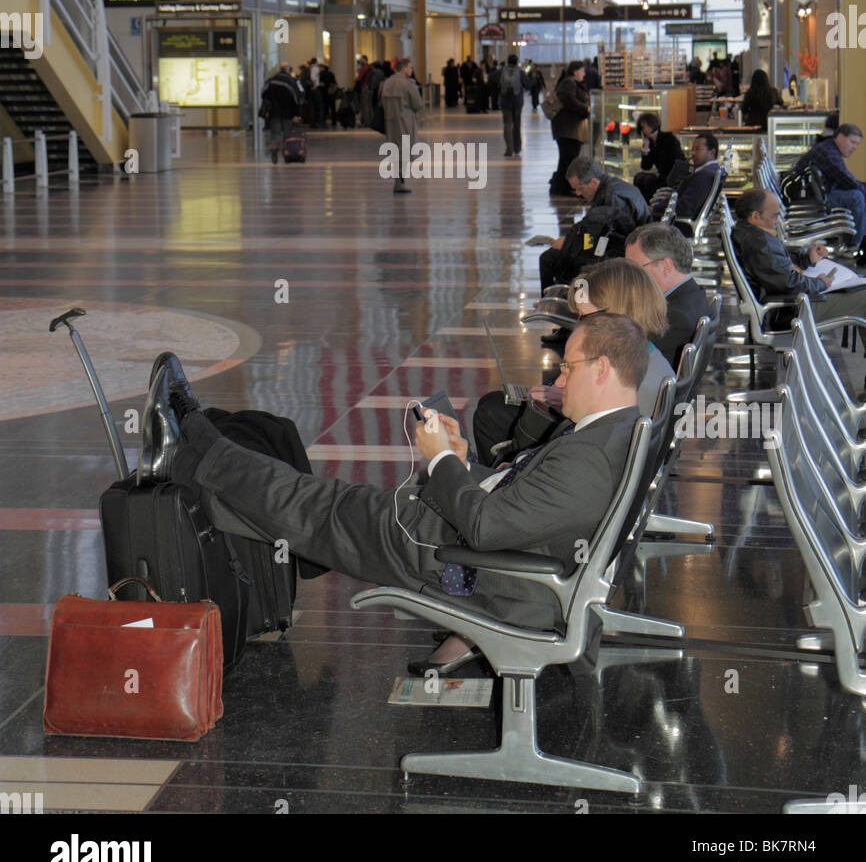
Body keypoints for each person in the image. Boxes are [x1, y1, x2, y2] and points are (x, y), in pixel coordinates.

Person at [141, 313, 647, 662]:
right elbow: (520, 506)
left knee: (314, 505)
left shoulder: (589, 457)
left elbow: (486, 527)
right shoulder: (612, 434)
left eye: (570, 367)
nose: (559, 380)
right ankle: (195, 461)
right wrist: (462, 460)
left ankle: (192, 444)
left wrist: (441, 458)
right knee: (307, 509)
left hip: (463, 562)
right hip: (482, 550)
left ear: (602, 369)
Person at [472, 258, 673, 468]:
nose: (578, 326)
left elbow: (594, 442)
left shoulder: (638, 383)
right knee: (495, 405)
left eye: (585, 317)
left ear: (618, 315)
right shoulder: (647, 362)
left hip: (579, 462)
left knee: (492, 411)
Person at [730, 187, 866, 348]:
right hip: (790, 311)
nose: (777, 221)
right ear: (755, 216)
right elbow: (789, 282)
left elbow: (777, 265)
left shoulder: (749, 234)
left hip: (787, 306)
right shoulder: (759, 243)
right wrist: (821, 283)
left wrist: (807, 259)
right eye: (774, 216)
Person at [538, 155, 651, 291]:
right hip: (627, 249)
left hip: (619, 259)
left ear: (593, 182)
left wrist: (570, 245)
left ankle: (556, 304)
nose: (578, 194)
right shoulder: (614, 187)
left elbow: (598, 242)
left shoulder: (611, 199)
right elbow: (596, 233)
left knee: (549, 259)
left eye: (580, 188)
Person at [624, 223, 710, 367]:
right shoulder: (692, 296)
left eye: (635, 269)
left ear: (666, 267)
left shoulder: (674, 318)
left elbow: (623, 358)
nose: (630, 277)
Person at [793, 123, 866, 246]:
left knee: (859, 193)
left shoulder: (829, 149)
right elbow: (846, 180)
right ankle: (855, 244)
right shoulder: (829, 153)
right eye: (852, 142)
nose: (854, 148)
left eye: (857, 144)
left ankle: (857, 239)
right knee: (857, 197)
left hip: (814, 193)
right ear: (840, 137)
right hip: (811, 199)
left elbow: (847, 179)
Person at [380, 56, 422, 195]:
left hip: (390, 122)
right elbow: (417, 104)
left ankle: (398, 182)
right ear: (403, 68)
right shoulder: (408, 84)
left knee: (395, 151)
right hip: (406, 122)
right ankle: (399, 183)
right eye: (410, 67)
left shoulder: (386, 83)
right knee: (405, 151)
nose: (411, 70)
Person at [549, 60, 591, 197]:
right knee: (568, 158)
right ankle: (563, 188)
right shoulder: (569, 83)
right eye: (582, 71)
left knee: (567, 158)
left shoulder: (571, 83)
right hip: (567, 129)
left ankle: (561, 187)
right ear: (575, 71)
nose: (584, 74)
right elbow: (569, 101)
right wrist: (585, 108)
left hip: (569, 128)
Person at [633, 112, 686, 202]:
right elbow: (646, 166)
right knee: (639, 178)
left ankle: (650, 206)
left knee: (648, 182)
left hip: (672, 175)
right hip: (662, 175)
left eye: (644, 127)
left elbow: (678, 159)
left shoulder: (668, 138)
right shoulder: (650, 143)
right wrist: (646, 149)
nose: (643, 130)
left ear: (651, 125)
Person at [259, 63, 304, 164]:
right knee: (287, 133)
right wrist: (297, 114)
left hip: (274, 112)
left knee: (276, 133)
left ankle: (274, 147)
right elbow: (297, 98)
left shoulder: (271, 80)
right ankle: (286, 153)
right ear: (288, 70)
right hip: (288, 112)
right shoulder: (292, 81)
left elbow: (263, 94)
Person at [674, 132, 721, 222]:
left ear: (712, 152)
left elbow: (685, 207)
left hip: (677, 223)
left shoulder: (704, 176)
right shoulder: (713, 170)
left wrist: (656, 208)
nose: (692, 153)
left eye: (697, 149)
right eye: (692, 149)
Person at [499, 54, 531, 157]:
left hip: (505, 102)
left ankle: (509, 148)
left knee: (507, 124)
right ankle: (517, 148)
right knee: (516, 125)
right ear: (517, 62)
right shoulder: (520, 73)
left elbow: (492, 80)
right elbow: (528, 85)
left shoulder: (502, 72)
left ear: (508, 61)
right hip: (517, 102)